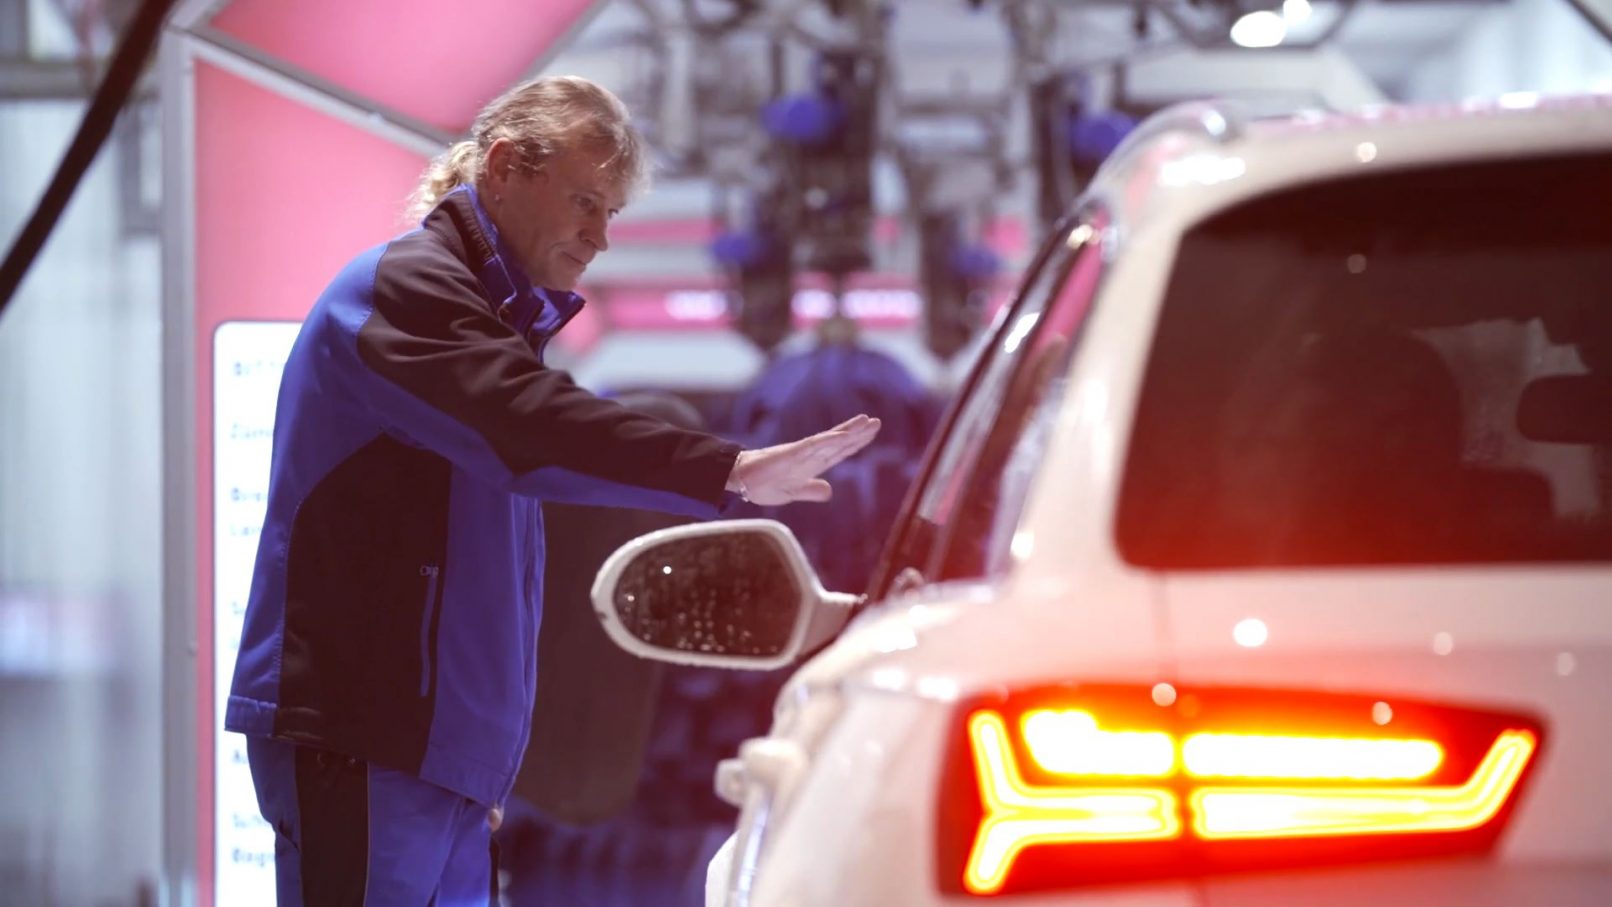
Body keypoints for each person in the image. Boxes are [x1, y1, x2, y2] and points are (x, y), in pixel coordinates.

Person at [224, 74, 880, 906]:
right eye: (585, 202)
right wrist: (729, 469)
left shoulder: (480, 324)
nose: (599, 236)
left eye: (610, 212)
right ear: (504, 168)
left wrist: (484, 762)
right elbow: (531, 427)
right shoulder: (406, 292)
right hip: (367, 739)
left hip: (433, 755)